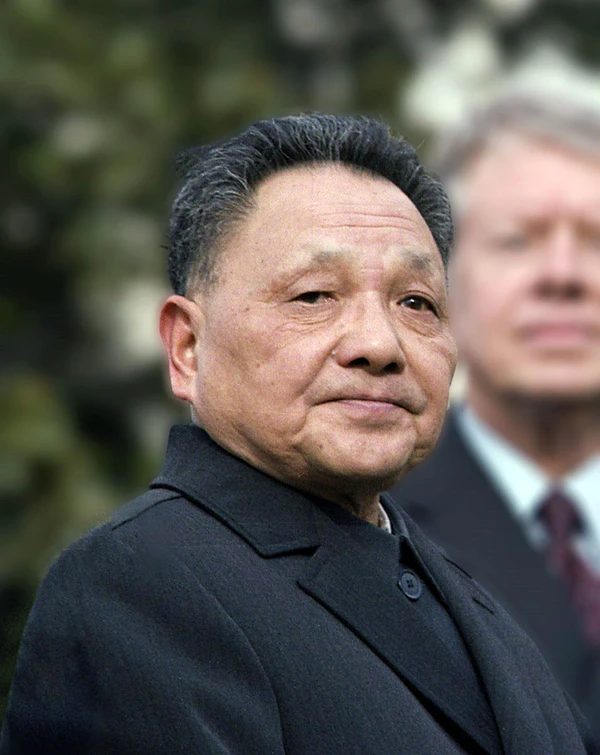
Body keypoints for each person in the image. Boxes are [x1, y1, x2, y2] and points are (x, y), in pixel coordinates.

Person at [1, 114, 595, 754]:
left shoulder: (471, 597)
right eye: (314, 296)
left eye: (416, 303)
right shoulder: (136, 586)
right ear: (188, 347)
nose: (380, 345)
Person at [391, 88, 600, 744]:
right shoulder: (363, 518)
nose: (563, 276)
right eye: (517, 241)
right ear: (441, 283)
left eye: (597, 241)